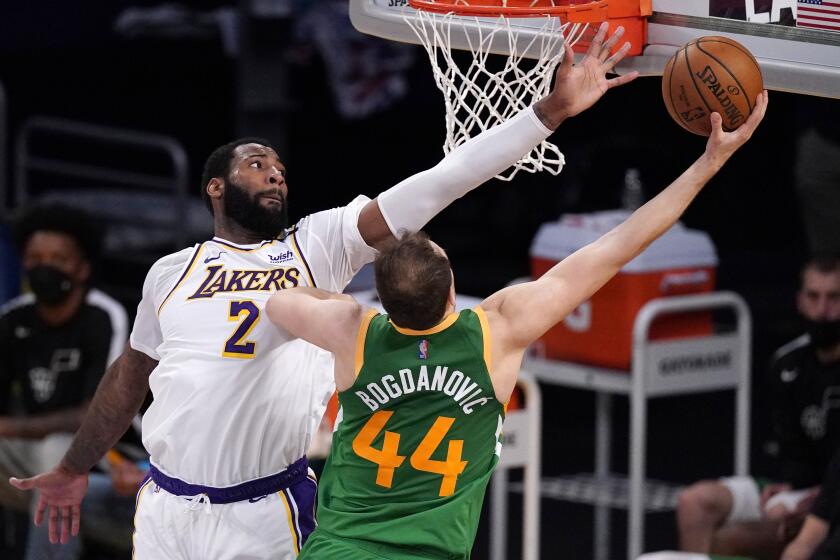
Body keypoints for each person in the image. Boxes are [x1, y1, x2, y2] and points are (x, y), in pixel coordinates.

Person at [9, 22, 640, 560]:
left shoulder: (316, 245)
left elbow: (441, 182)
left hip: (263, 511)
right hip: (166, 504)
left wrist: (549, 113)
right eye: (256, 163)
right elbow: (129, 377)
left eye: (280, 166)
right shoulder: (169, 271)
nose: (274, 170)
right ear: (215, 187)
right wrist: (72, 467)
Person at [264, 91, 769, 558]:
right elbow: (617, 247)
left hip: (336, 549)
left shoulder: (355, 332)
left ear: (385, 303)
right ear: (452, 291)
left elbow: (280, 300)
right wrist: (710, 162)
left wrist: (348, 304)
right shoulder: (495, 332)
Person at [677, 256, 840, 559]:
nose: (822, 309)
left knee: (734, 538)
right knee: (694, 502)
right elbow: (788, 448)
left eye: (833, 298)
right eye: (813, 297)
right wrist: (787, 485)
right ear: (799, 301)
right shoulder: (786, 364)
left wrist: (815, 501)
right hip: (792, 485)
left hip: (829, 496)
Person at [0, 204, 129, 560]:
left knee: (57, 458)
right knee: (48, 460)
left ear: (82, 268)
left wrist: (11, 426)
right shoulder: (14, 317)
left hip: (106, 454)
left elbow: (97, 415)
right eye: (36, 257)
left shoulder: (103, 316)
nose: (45, 266)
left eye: (58, 258)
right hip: (29, 448)